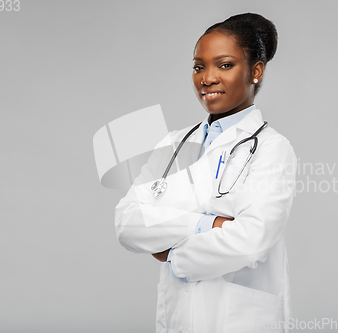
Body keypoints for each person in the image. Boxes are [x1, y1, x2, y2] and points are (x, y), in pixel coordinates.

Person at [115, 12, 297, 333]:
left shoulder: (271, 148)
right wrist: (208, 224)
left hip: (240, 320)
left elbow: (252, 240)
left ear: (256, 71)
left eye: (224, 65)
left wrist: (172, 255)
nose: (207, 78)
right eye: (199, 67)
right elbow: (127, 222)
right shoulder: (174, 143)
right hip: (179, 316)